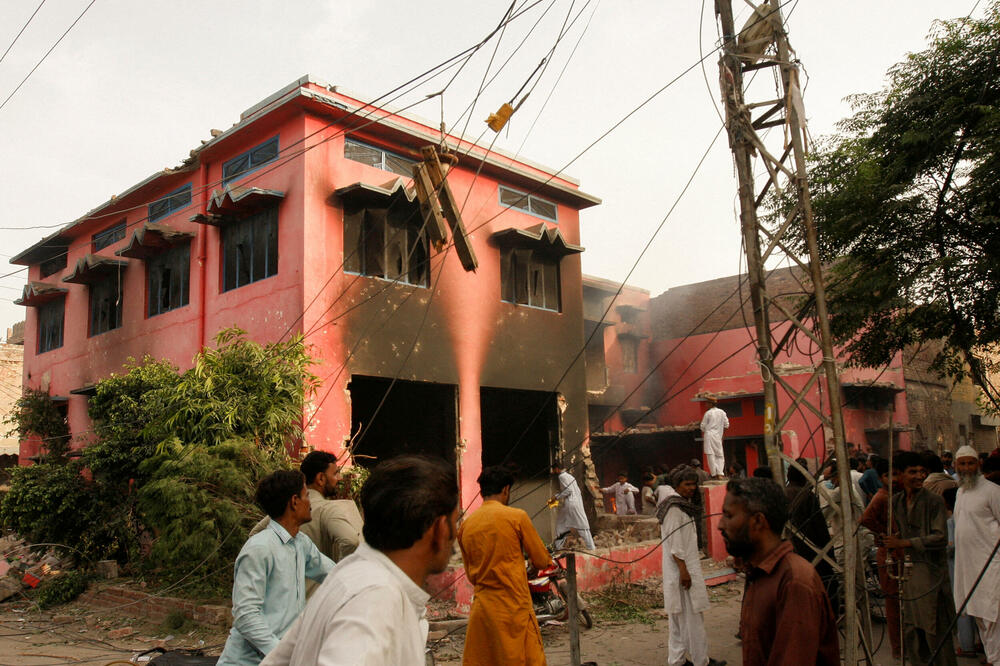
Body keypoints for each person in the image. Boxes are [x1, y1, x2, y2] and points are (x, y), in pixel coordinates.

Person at [261, 455, 459, 665]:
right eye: (455, 522)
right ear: (439, 528)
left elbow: (276, 661)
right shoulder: (375, 598)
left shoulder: (349, 575)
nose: (456, 534)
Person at [218, 470, 334, 665]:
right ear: (294, 501)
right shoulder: (259, 548)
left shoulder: (301, 543)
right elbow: (246, 615)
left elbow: (333, 574)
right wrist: (280, 653)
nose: (310, 502)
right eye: (306, 495)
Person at [719, 477, 839, 665]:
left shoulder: (794, 581)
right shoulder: (759, 573)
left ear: (758, 521)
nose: (720, 525)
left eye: (728, 516)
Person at [458, 466, 552, 666]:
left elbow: (470, 572)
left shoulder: (466, 525)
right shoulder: (517, 517)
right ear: (506, 490)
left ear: (482, 491)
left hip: (483, 610)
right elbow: (542, 561)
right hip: (514, 606)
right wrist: (533, 566)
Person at [249, 451, 364, 595]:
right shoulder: (327, 509)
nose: (339, 478)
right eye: (335, 474)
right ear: (321, 478)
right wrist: (339, 577)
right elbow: (351, 541)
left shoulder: (288, 519)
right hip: (316, 601)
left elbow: (254, 534)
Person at [884, 450, 957, 666]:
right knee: (913, 633)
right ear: (900, 474)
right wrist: (892, 539)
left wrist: (904, 543)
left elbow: (940, 537)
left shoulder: (933, 501)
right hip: (909, 575)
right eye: (912, 472)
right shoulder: (896, 501)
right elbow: (904, 533)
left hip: (931, 575)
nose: (918, 476)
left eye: (921, 472)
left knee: (936, 634)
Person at [657, 466, 726, 666]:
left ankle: (677, 660)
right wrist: (684, 572)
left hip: (682, 571)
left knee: (679, 621)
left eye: (694, 484)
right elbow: (675, 546)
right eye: (687, 484)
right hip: (682, 572)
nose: (692, 488)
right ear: (677, 485)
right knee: (692, 620)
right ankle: (700, 661)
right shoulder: (673, 510)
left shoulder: (681, 506)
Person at [953, 445, 1000, 664]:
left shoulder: (992, 491)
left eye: (970, 463)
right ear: (956, 466)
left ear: (978, 464)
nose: (966, 468)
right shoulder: (961, 491)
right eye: (962, 464)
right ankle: (992, 658)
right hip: (968, 566)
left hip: (990, 565)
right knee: (979, 615)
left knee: (993, 616)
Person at [859, 457, 903, 660]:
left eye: (896, 474)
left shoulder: (895, 496)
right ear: (881, 477)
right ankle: (898, 648)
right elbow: (865, 519)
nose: (894, 478)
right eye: (889, 475)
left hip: (897, 552)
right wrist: (884, 534)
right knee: (893, 603)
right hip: (888, 554)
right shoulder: (882, 496)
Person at [783, 463, 835, 606]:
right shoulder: (806, 495)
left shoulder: (782, 493)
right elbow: (819, 526)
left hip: (789, 549)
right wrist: (830, 553)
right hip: (809, 549)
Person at [550, 462, 596, 550]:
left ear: (556, 469)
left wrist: (556, 497)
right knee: (561, 524)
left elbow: (569, 490)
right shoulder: (569, 476)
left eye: (553, 470)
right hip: (573, 503)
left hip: (571, 503)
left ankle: (591, 547)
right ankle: (558, 546)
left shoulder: (562, 476)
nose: (553, 472)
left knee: (581, 526)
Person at [700, 398, 729, 479]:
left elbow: (702, 427)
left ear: (710, 404)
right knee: (719, 454)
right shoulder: (722, 412)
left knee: (710, 454)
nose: (706, 405)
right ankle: (720, 473)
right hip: (718, 436)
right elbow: (726, 425)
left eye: (707, 403)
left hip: (709, 435)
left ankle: (714, 474)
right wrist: (720, 431)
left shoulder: (708, 413)